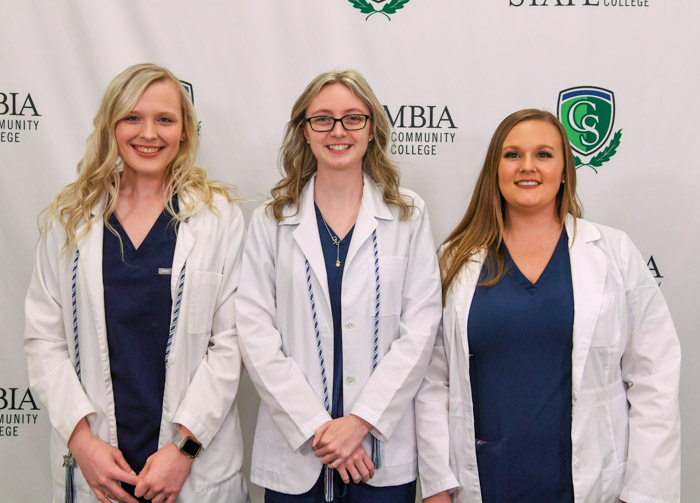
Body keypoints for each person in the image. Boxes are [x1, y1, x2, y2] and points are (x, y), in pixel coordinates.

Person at [416, 109, 681, 503]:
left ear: (565, 170)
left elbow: (655, 377)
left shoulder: (613, 253)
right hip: (486, 480)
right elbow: (431, 380)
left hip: (586, 483)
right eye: (512, 155)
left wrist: (644, 493)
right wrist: (437, 484)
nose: (528, 167)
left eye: (543, 154)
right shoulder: (455, 259)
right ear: (495, 168)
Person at [24, 63, 249, 503]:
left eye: (165, 119)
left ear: (184, 130)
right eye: (132, 117)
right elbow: (43, 340)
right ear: (111, 126)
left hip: (189, 466)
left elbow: (232, 343)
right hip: (99, 466)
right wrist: (82, 443)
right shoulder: (70, 219)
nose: (149, 133)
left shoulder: (218, 217)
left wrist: (184, 448)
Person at [235, 69, 442, 502]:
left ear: (372, 129)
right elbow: (255, 332)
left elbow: (420, 330)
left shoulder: (408, 214)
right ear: (304, 132)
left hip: (377, 454)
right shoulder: (272, 219)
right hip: (297, 455)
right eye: (323, 119)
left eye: (353, 118)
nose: (338, 131)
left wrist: (360, 423)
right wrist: (319, 429)